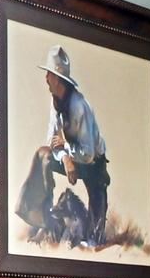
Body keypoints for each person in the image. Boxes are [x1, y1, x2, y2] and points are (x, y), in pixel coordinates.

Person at [17, 44, 111, 250]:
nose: (46, 79)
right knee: (43, 155)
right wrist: (66, 158)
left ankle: (94, 229)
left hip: (93, 164)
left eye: (49, 74)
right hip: (72, 158)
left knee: (94, 237)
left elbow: (87, 154)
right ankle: (45, 219)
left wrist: (66, 148)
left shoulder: (80, 106)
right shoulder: (56, 103)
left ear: (58, 79)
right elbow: (52, 142)